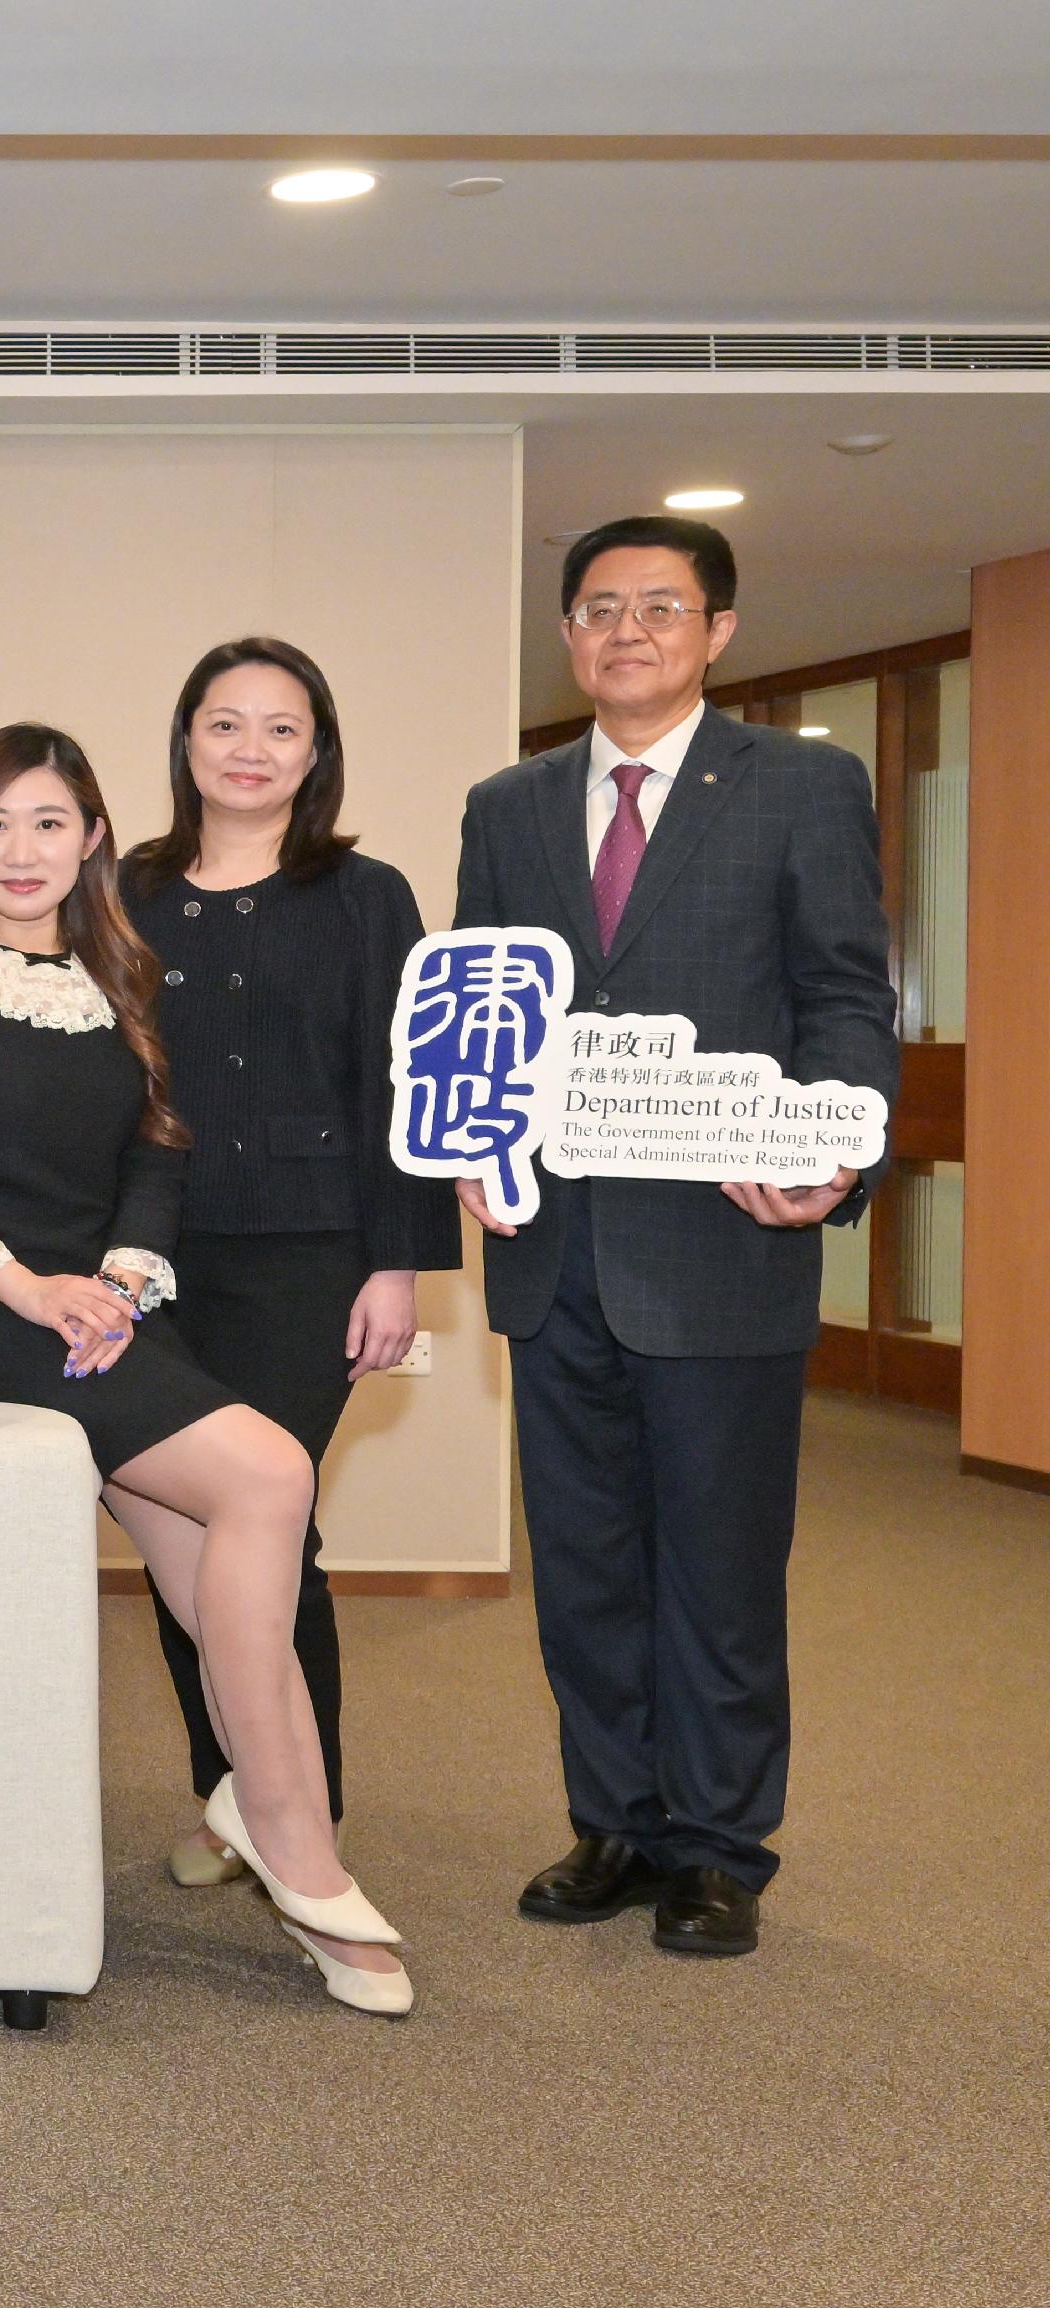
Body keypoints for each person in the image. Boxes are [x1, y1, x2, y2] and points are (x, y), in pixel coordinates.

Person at [0, 724, 412, 2016]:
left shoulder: (120, 975)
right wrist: (27, 1285)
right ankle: (291, 1838)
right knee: (268, 1475)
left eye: (49, 822)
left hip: (109, 1317)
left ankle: (272, 1819)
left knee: (219, 1569)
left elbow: (159, 1148)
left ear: (93, 840)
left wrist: (119, 1281)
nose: (20, 851)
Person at [457, 515, 896, 1958]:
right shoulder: (507, 804)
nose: (626, 630)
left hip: (725, 1245)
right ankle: (615, 1823)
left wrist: (837, 1148)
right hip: (553, 1250)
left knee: (719, 1565)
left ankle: (715, 1846)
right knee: (584, 1564)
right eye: (598, 608)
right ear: (566, 635)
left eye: (660, 606)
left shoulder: (802, 785)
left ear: (718, 632)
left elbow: (845, 995)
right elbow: (479, 1006)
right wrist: (467, 1142)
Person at [123, 638, 464, 1889]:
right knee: (173, 1524)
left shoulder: (365, 894)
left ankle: (301, 1813)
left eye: (281, 728)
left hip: (312, 1253)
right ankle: (228, 1792)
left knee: (269, 1525)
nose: (250, 749)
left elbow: (403, 1083)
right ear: (186, 740)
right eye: (225, 723)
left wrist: (398, 1265)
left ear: (316, 751)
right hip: (147, 1254)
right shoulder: (125, 888)